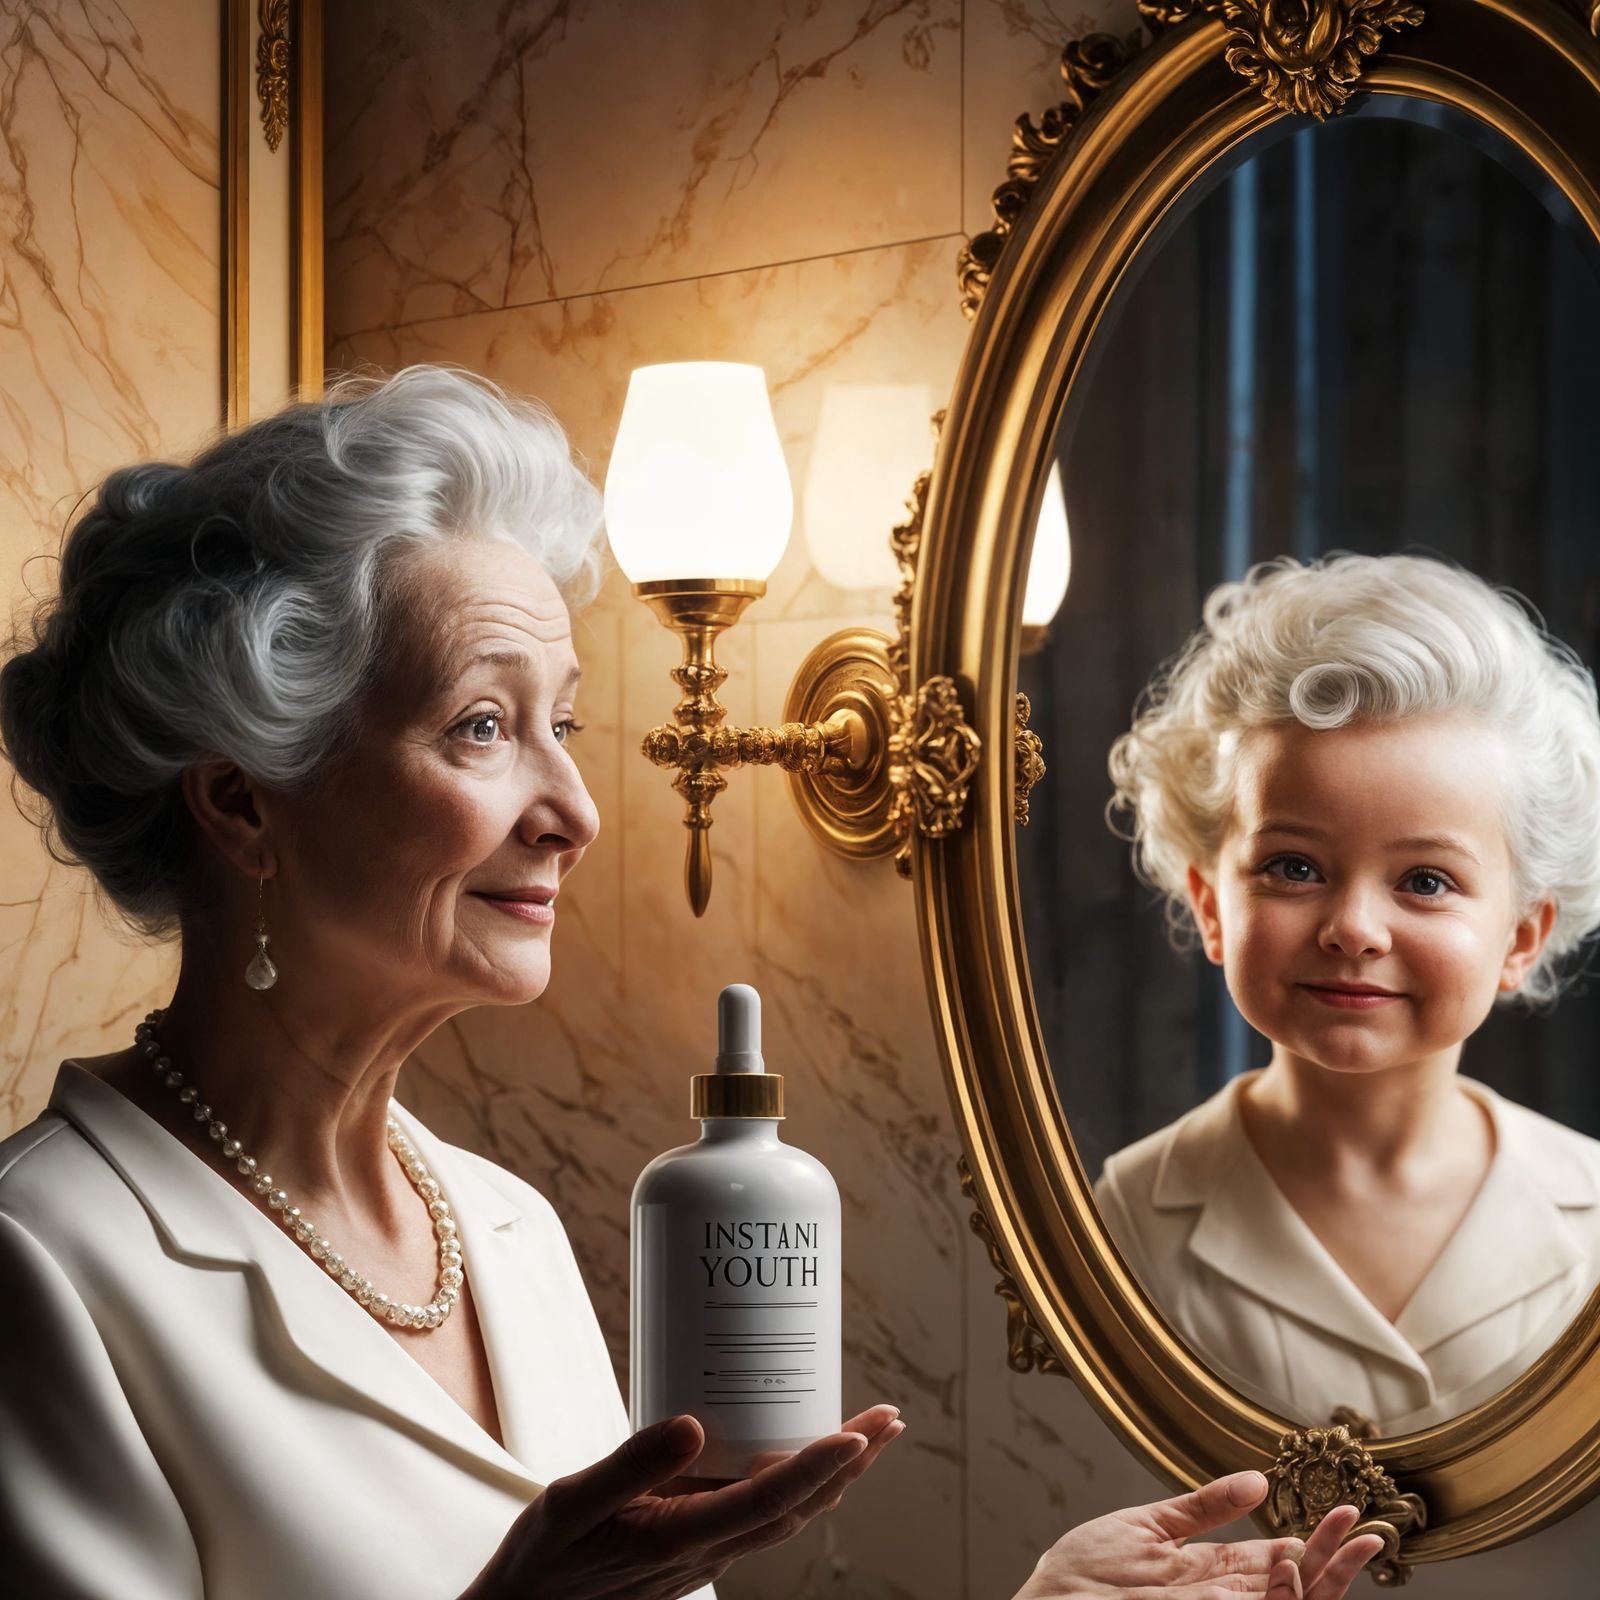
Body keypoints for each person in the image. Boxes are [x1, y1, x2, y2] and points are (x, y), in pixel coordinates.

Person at [0, 366, 1377, 1598]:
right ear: (243, 801)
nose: (575, 809)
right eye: (484, 726)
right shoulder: (47, 1263)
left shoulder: (506, 1231)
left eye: (567, 722)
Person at [1097, 551, 1600, 1433]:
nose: (1354, 928)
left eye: (1427, 880)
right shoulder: (1122, 1220)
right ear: (1212, 905)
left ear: (1523, 937)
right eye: (1294, 867)